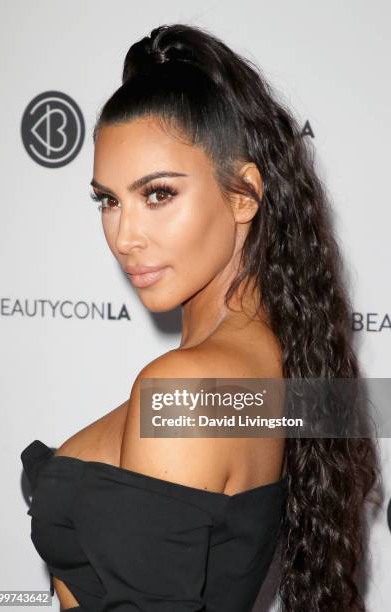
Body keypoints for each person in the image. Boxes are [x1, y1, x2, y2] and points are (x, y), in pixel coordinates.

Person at [21, 23, 379, 612]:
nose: (124, 235)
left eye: (158, 193)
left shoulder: (190, 390)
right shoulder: (262, 365)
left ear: (244, 196)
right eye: (108, 200)